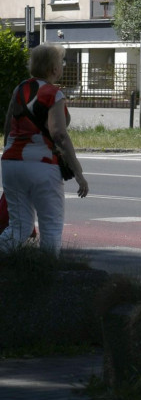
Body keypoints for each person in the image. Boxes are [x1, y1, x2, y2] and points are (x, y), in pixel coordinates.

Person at [1, 43, 89, 253]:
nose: (62, 66)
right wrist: (78, 172)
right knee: (51, 226)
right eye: (61, 63)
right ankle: (49, 276)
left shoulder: (20, 89)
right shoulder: (53, 93)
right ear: (53, 69)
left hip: (11, 163)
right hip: (41, 165)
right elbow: (59, 133)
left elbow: (7, 127)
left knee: (18, 227)